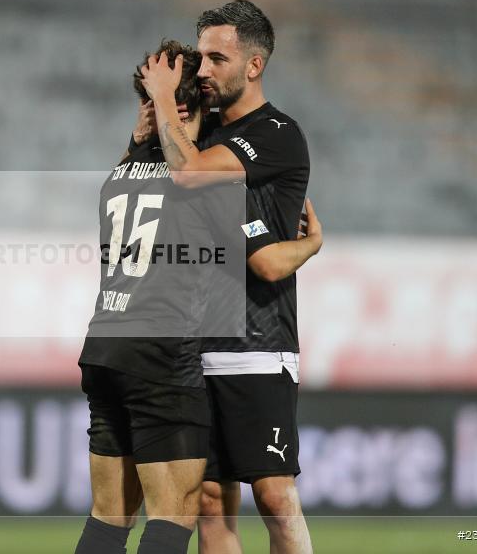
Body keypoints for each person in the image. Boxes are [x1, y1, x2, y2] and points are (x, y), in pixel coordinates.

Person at [77, 36, 321, 554]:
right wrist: (311, 244)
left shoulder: (121, 174)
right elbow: (265, 261)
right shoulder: (205, 179)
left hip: (103, 345)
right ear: (192, 106)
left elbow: (149, 159)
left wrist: (145, 119)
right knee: (174, 516)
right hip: (165, 355)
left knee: (108, 517)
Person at [139, 0, 314, 554]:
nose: (205, 69)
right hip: (191, 344)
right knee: (210, 502)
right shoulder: (196, 130)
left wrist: (165, 98)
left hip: (256, 343)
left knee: (276, 499)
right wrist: (151, 118)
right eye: (202, 56)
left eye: (218, 57)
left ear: (254, 65)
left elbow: (189, 174)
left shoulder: (277, 133)